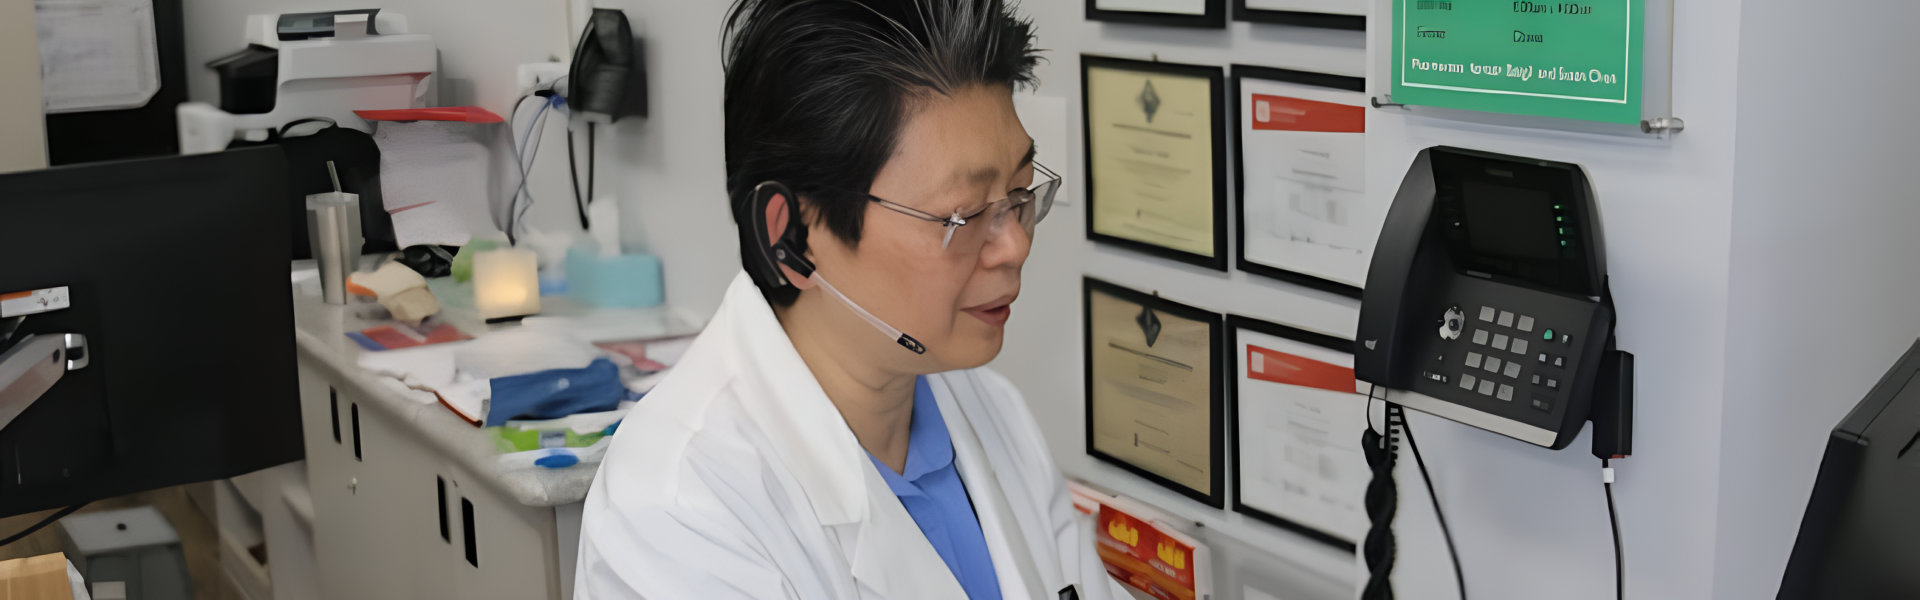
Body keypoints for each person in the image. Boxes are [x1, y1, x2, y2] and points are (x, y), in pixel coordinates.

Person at [575, 0, 1125, 598]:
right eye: (963, 216)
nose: (1014, 244)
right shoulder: (681, 509)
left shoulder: (991, 409)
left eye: (1020, 192)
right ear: (789, 236)